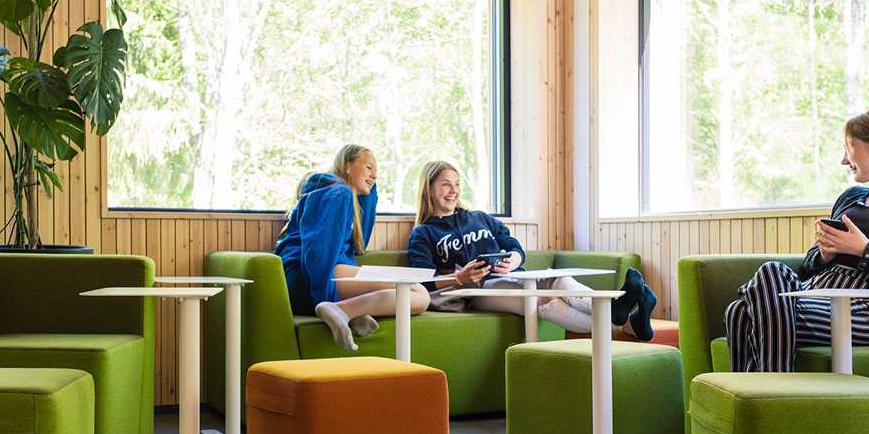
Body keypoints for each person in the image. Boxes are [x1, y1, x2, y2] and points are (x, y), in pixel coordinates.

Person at [724, 107, 869, 372]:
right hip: (816, 291)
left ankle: (768, 392)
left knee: (741, 312)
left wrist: (866, 251)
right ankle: (771, 391)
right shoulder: (850, 197)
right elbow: (809, 265)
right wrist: (824, 254)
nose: (843, 160)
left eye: (849, 147)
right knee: (772, 272)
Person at [408, 160, 657, 338]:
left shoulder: (479, 218)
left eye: (457, 184)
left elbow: (513, 246)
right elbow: (423, 281)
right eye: (445, 185)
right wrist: (460, 278)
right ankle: (618, 310)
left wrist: (514, 261)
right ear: (429, 187)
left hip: (512, 276)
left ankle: (623, 317)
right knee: (544, 299)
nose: (453, 191)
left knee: (560, 278)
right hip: (478, 291)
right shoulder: (425, 233)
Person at [275, 144, 429, 351]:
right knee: (417, 291)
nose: (374, 175)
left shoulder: (342, 196)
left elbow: (359, 245)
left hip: (310, 278)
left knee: (418, 295)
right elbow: (318, 252)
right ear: (348, 166)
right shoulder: (338, 193)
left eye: (376, 171)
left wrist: (368, 194)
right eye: (368, 167)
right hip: (310, 279)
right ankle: (339, 309)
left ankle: (345, 310)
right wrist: (322, 297)